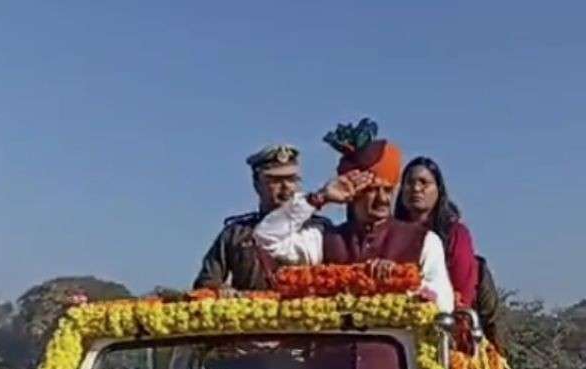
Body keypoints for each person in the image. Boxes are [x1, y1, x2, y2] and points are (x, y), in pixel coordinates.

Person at [253, 119, 455, 313]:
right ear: (351, 194)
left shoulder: (423, 241)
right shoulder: (325, 240)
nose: (382, 200)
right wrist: (319, 198)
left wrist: (399, 283)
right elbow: (266, 237)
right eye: (372, 190)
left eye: (388, 190)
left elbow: (443, 304)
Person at [393, 157, 506, 345]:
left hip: (445, 330)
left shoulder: (456, 234)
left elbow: (461, 292)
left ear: (438, 190)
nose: (416, 189)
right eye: (409, 183)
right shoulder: (391, 234)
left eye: (424, 183)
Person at [193, 144, 333, 291]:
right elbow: (206, 284)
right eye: (275, 180)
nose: (286, 187)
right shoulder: (236, 234)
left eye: (291, 179)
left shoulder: (318, 229)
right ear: (257, 184)